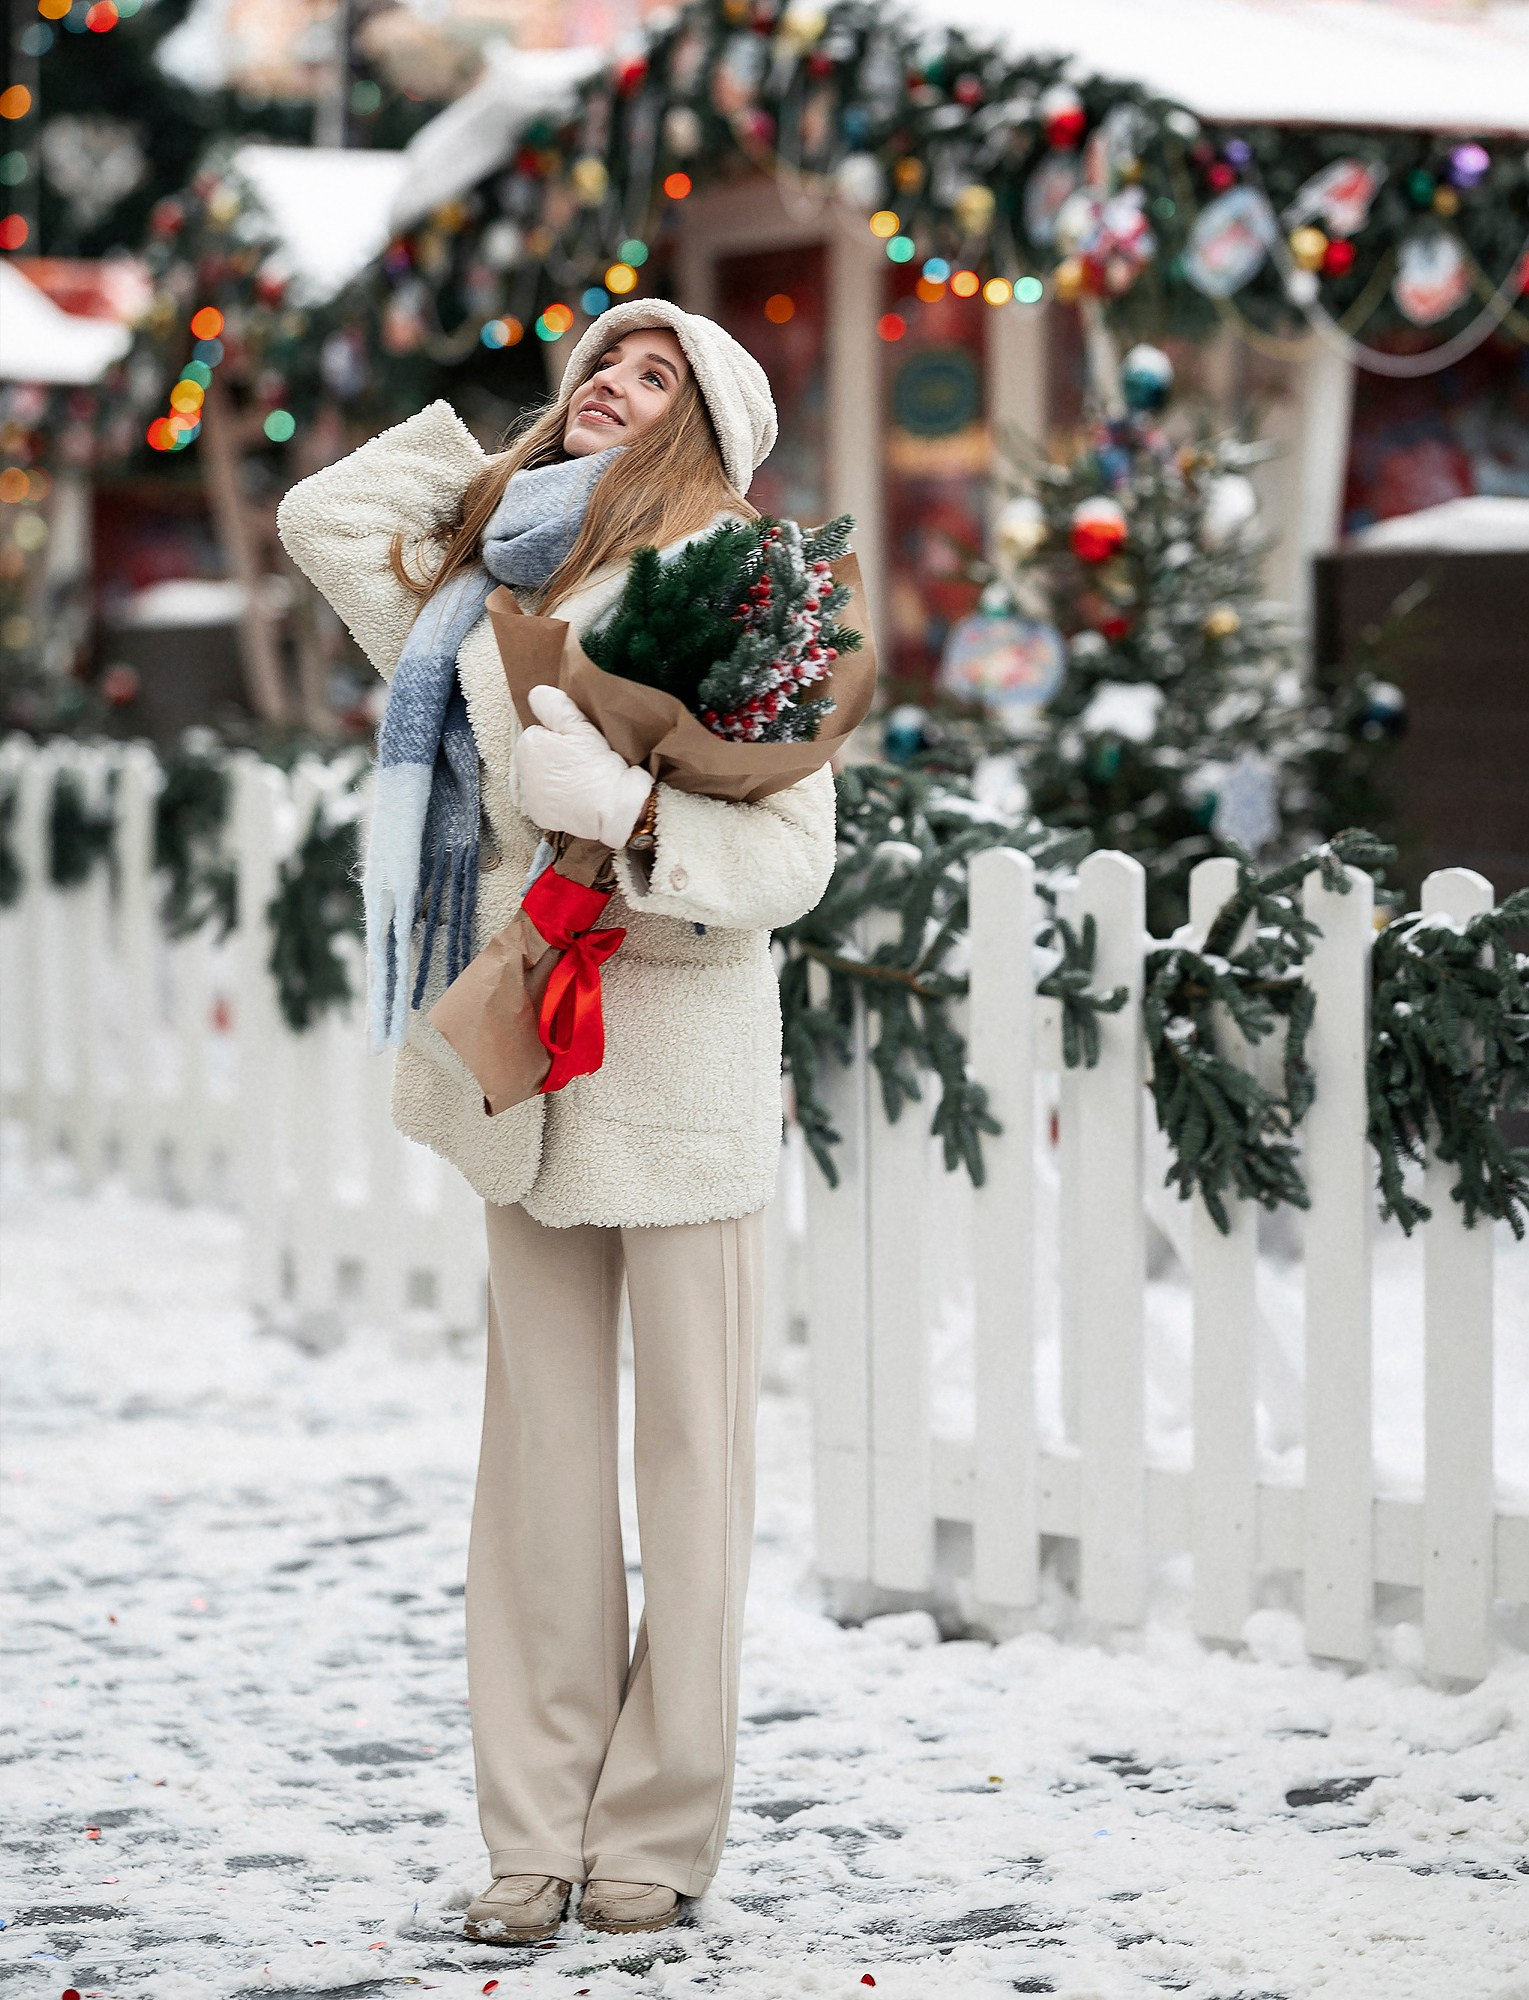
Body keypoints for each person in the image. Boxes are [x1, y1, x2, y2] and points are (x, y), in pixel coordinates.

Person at [277, 301, 837, 1941]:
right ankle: (532, 1832)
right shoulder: (483, 581)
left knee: (693, 1466)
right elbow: (328, 516)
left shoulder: (741, 586)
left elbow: (792, 856)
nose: (614, 384)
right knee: (536, 1468)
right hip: (522, 1054)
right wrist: (522, 467)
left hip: (675, 1062)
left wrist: (641, 816)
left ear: (707, 435)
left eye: (657, 378)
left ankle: (655, 1829)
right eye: (604, 361)